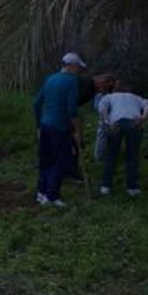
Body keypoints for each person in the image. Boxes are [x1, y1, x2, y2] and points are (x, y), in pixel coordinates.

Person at [33, 52, 86, 207]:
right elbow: (71, 110)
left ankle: (41, 192)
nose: (79, 71)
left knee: (45, 160)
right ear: (71, 66)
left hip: (45, 125)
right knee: (59, 161)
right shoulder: (71, 82)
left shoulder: (50, 78)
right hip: (60, 127)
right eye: (78, 68)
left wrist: (38, 125)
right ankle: (52, 196)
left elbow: (36, 103)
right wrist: (77, 131)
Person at [97, 81, 148, 196]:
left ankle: (106, 186)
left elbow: (102, 108)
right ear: (128, 89)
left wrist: (107, 121)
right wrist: (143, 118)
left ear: (114, 89)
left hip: (116, 123)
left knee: (112, 155)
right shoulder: (136, 97)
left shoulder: (109, 96)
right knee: (132, 155)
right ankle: (132, 188)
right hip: (134, 123)